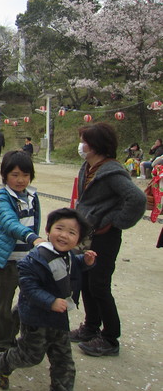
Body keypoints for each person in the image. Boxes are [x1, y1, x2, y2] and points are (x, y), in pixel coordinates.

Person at [0, 208, 97, 391]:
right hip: (36, 318)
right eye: (59, 228)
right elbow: (29, 288)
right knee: (30, 355)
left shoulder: (69, 256)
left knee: (63, 360)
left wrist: (86, 263)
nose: (64, 235)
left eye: (71, 233)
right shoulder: (34, 259)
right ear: (48, 230)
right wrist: (50, 301)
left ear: (78, 240)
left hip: (59, 320)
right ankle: (1, 362)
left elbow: (70, 268)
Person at [69, 122, 146, 356]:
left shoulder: (112, 171)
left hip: (104, 237)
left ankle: (110, 337)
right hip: (87, 234)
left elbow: (137, 199)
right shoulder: (89, 166)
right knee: (85, 281)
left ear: (95, 146)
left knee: (99, 285)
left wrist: (114, 221)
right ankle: (91, 327)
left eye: (84, 141)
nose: (81, 145)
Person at [0, 150, 44, 353]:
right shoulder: (1, 198)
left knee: (30, 299)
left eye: (25, 175)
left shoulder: (32, 196)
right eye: (15, 175)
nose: (21, 180)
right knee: (3, 302)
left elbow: (34, 222)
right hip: (6, 260)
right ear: (5, 175)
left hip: (27, 260)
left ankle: (13, 332)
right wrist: (33, 238)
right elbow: (10, 223)